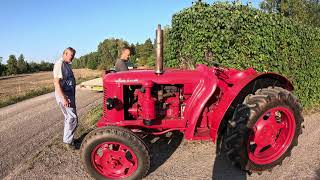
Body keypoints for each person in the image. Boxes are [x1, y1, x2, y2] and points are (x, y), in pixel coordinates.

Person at [53, 47, 77, 150]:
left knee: (70, 118)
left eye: (73, 55)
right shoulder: (60, 64)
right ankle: (68, 142)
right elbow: (56, 82)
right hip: (65, 96)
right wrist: (63, 98)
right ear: (65, 53)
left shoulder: (67, 65)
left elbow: (68, 81)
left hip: (69, 95)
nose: (73, 58)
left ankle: (69, 139)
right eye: (71, 55)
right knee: (72, 118)